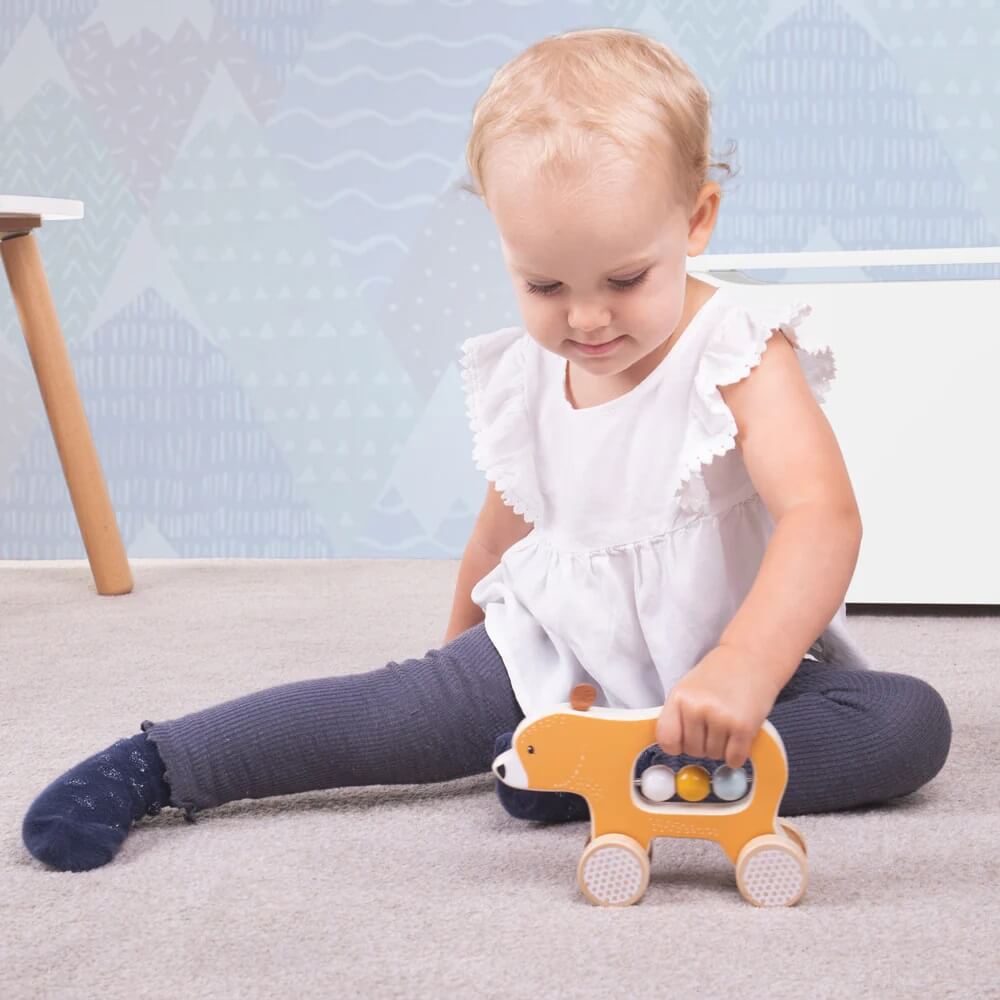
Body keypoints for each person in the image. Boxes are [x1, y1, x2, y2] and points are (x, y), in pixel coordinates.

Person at [21, 28, 951, 873]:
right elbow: (499, 538)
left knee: (907, 722)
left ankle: (604, 776)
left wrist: (745, 664)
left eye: (625, 278)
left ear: (697, 218)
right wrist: (449, 676)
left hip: (728, 678)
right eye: (544, 285)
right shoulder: (528, 372)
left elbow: (822, 516)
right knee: (378, 715)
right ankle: (160, 764)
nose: (586, 319)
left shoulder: (739, 350)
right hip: (555, 655)